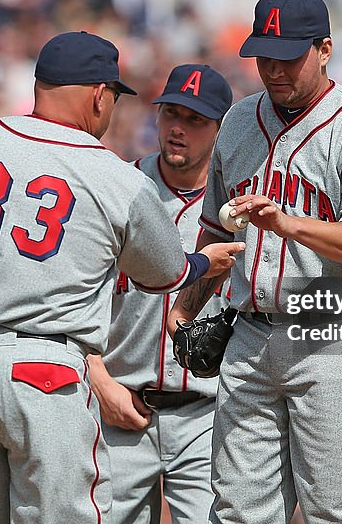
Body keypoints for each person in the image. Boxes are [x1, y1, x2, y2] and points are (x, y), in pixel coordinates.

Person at [0, 31, 245, 524]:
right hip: (46, 374)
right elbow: (170, 272)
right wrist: (203, 264)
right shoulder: (112, 174)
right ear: (97, 95)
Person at [167, 0, 342, 523]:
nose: (274, 70)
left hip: (335, 339)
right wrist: (187, 303)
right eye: (264, 57)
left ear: (324, 49)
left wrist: (289, 224)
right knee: (237, 512)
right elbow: (215, 230)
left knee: (338, 513)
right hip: (249, 337)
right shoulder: (236, 120)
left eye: (288, 57)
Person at [87, 63, 233, 523]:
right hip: (119, 406)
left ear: (221, 129)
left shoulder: (240, 207)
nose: (178, 129)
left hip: (206, 415)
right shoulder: (118, 188)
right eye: (171, 113)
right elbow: (72, 298)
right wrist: (99, 381)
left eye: (195, 120)